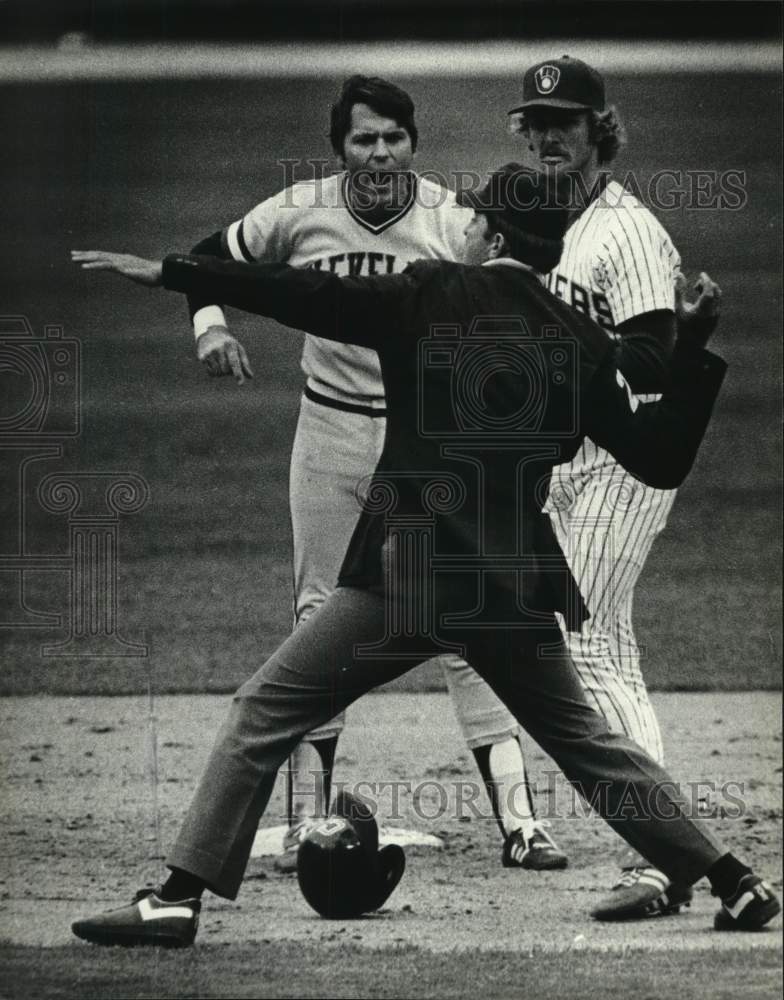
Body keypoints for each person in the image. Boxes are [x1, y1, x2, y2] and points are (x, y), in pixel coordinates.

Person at [69, 165, 779, 946]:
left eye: (473, 218)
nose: (463, 227)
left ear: (496, 236)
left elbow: (304, 294)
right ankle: (736, 883)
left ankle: (175, 897)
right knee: (588, 743)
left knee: (264, 710)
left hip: (408, 574)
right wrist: (694, 347)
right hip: (506, 585)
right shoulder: (580, 337)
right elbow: (658, 457)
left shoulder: (430, 290)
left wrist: (180, 274)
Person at [184, 74, 566, 871]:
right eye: (364, 138)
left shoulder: (453, 220)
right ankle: (305, 819)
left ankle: (522, 822)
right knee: (319, 614)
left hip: (425, 450)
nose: (381, 151)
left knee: (468, 624)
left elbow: (522, 301)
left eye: (394, 136)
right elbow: (207, 261)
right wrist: (210, 328)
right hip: (327, 434)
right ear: (340, 147)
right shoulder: (297, 210)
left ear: (413, 142)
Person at [460, 53, 710, 919]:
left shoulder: (626, 230)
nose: (547, 138)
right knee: (610, 650)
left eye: (564, 124)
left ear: (597, 129)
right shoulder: (537, 219)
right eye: (534, 125)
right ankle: (673, 846)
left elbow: (648, 362)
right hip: (566, 468)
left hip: (624, 464)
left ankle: (666, 858)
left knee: (589, 647)